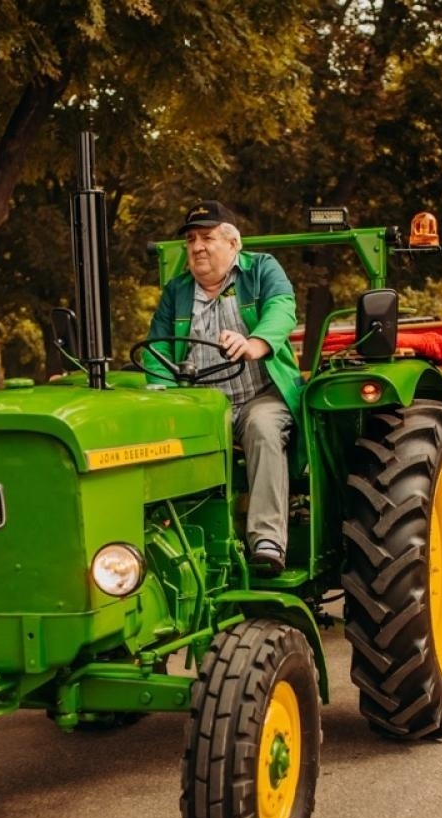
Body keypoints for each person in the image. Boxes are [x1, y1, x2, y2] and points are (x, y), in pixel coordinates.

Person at [144, 200, 299, 574]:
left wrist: (254, 344)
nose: (197, 247)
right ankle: (170, 544)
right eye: (191, 240)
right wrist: (163, 393)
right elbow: (157, 349)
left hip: (261, 396)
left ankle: (267, 540)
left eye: (207, 237)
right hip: (201, 403)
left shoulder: (261, 269)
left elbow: (283, 309)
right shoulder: (177, 291)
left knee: (263, 427)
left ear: (233, 244)